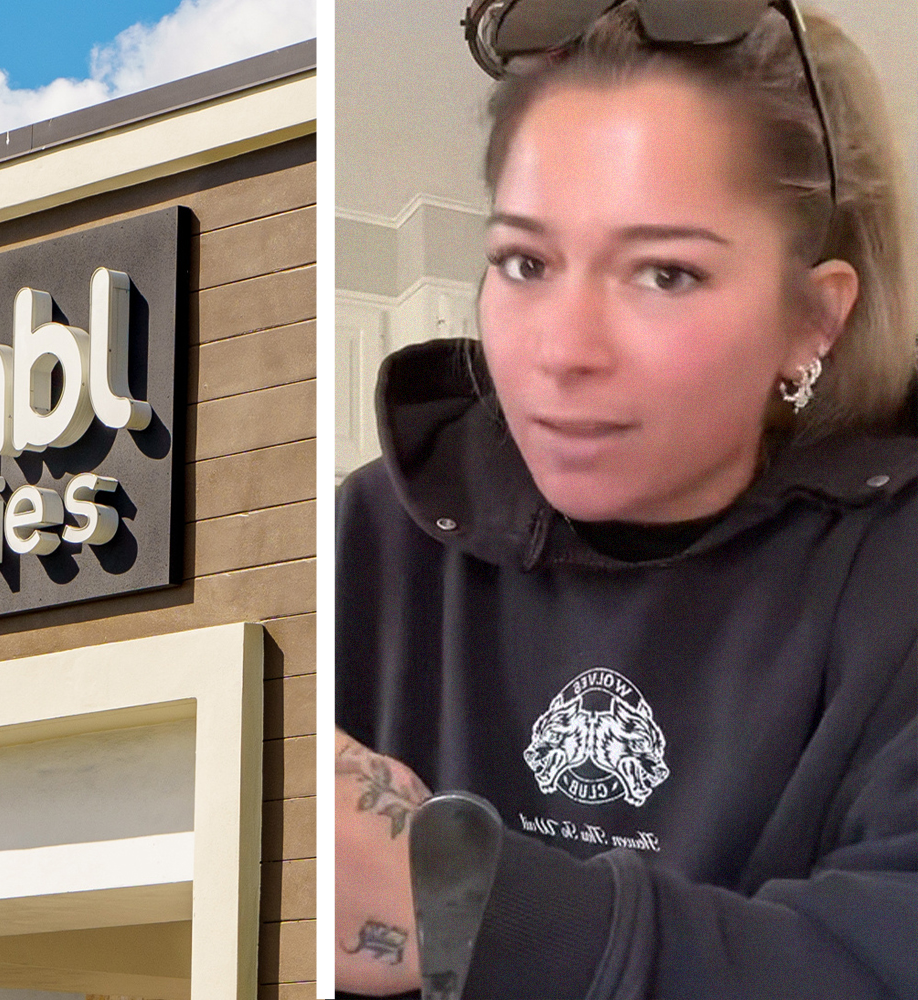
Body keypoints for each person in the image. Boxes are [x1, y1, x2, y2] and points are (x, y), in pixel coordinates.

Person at [335, 1, 918, 997]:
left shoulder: (893, 577)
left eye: (663, 272)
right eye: (524, 262)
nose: (562, 350)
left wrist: (464, 901)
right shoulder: (368, 542)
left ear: (810, 318)